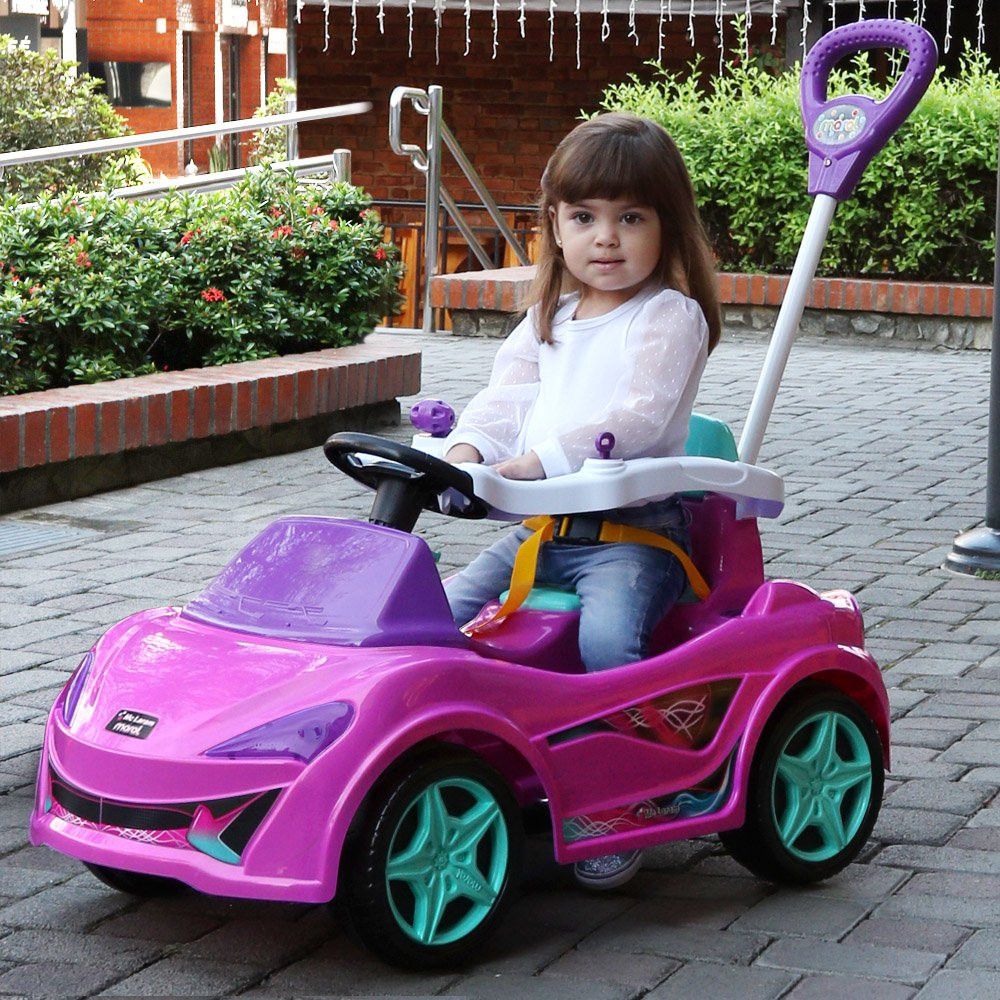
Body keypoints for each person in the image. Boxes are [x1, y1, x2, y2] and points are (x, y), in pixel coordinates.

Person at [444, 112, 721, 890]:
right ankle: (469, 744)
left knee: (607, 642)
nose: (606, 238)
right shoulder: (550, 319)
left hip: (635, 536)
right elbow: (505, 400)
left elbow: (639, 417)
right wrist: (468, 453)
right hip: (549, 529)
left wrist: (541, 461)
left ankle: (634, 787)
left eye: (631, 218)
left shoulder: (669, 317)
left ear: (667, 226)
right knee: (439, 610)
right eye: (585, 217)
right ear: (555, 225)